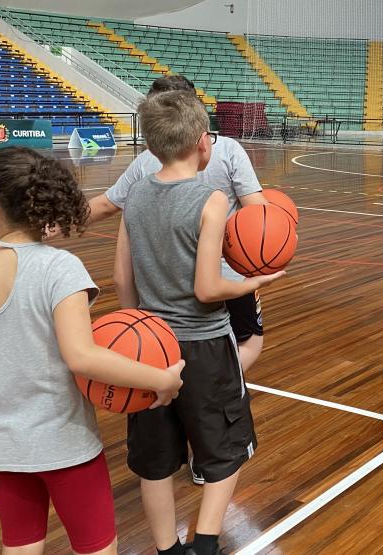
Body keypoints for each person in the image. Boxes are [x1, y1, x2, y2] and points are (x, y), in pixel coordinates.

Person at [0, 147, 184, 555]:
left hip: (1, 444)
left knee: (21, 545)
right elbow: (83, 356)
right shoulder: (58, 268)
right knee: (96, 548)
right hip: (63, 442)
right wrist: (161, 379)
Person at [115, 90, 283, 555]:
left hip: (151, 348)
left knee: (154, 461)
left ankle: (168, 550)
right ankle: (205, 545)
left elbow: (119, 278)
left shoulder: (135, 197)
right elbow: (208, 288)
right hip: (204, 347)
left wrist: (140, 330)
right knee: (224, 451)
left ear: (150, 146)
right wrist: (255, 282)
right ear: (204, 144)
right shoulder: (210, 201)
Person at [88, 76, 267, 380]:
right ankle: (215, 386)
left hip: (159, 287)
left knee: (163, 354)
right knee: (249, 341)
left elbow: (105, 208)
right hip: (227, 278)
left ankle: (171, 386)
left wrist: (49, 221)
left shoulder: (145, 165)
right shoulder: (229, 152)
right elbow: (258, 212)